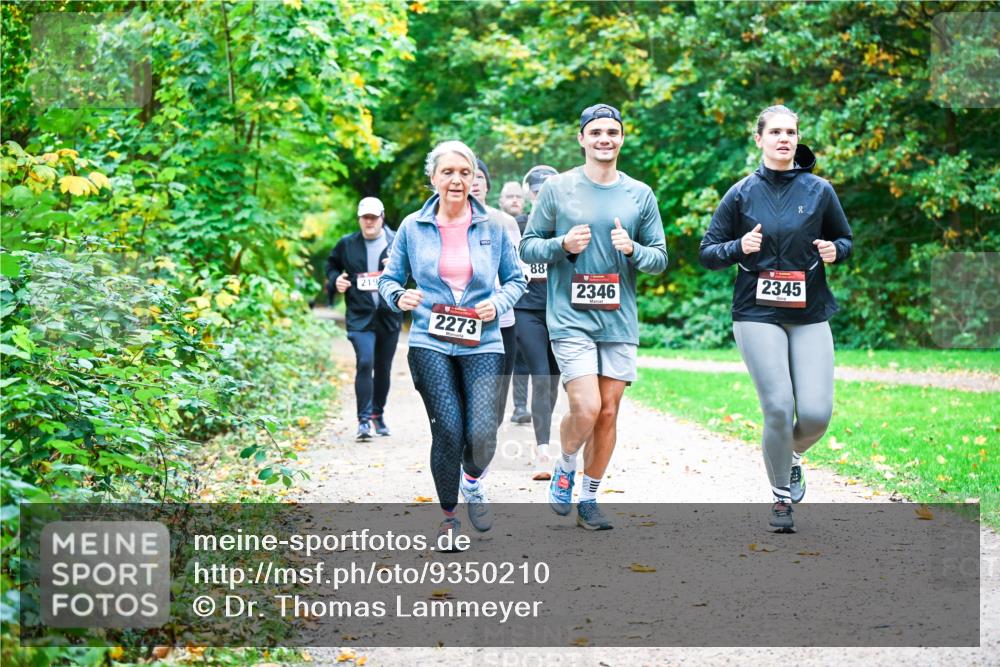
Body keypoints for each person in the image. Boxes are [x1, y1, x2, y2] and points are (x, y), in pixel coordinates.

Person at [699, 104, 853, 534]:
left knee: (818, 414)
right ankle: (781, 497)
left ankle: (791, 456)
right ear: (759, 139)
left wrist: (835, 251)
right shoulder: (742, 193)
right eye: (775, 132)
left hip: (809, 312)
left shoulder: (819, 190)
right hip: (757, 312)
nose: (784, 139)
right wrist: (739, 247)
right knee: (780, 408)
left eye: (791, 132)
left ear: (797, 137)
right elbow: (708, 252)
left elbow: (845, 239)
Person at [520, 105, 667, 530]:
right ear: (582, 138)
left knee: (608, 413)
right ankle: (566, 467)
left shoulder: (640, 194)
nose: (605, 139)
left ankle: (589, 498)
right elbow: (528, 247)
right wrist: (562, 244)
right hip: (570, 317)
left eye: (613, 132)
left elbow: (659, 258)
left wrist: (633, 251)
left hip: (619, 320)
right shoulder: (557, 189)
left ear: (622, 138)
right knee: (585, 407)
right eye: (597, 132)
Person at [378, 141, 526, 540]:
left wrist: (498, 303)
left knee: (482, 432)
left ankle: (473, 481)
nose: (457, 180)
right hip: (430, 339)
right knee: (448, 429)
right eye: (448, 172)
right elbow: (389, 280)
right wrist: (398, 296)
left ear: (474, 177)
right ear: (433, 178)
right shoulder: (412, 226)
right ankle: (448, 518)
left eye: (465, 172)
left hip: (484, 339)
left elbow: (517, 280)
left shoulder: (493, 225)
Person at [325, 197, 402, 440]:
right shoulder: (347, 244)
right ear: (359, 219)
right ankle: (363, 420)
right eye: (364, 217)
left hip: (389, 315)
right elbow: (331, 265)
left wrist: (400, 267)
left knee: (383, 368)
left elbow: (418, 271)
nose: (369, 222)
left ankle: (378, 415)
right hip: (360, 315)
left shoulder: (397, 241)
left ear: (382, 217)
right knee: (365, 361)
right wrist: (336, 279)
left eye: (373, 217)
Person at [512, 165, 561, 480]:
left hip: (560, 312)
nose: (540, 194)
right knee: (541, 376)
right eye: (535, 190)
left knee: (554, 379)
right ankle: (543, 450)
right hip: (525, 310)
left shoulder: (567, 225)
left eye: (547, 189)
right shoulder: (515, 226)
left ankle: (543, 436)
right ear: (528, 193)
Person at [470, 160, 522, 432]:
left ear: (488, 184)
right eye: (471, 176)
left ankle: (485, 443)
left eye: (480, 177)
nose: (475, 182)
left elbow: (518, 270)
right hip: (464, 321)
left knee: (499, 393)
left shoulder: (505, 221)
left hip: (502, 320)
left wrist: (500, 300)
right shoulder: (447, 221)